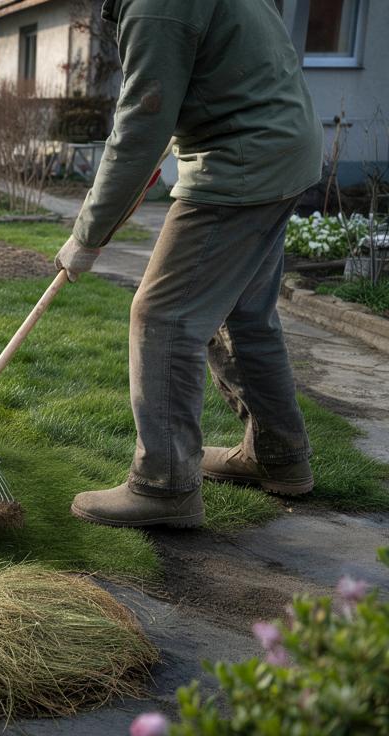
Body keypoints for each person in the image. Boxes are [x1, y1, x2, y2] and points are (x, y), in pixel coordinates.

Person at [57, 0, 322, 528]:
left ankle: (164, 486)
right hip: (283, 151)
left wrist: (87, 235)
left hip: (241, 164)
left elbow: (141, 121)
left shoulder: (157, 4)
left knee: (163, 317)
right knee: (244, 316)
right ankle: (279, 456)